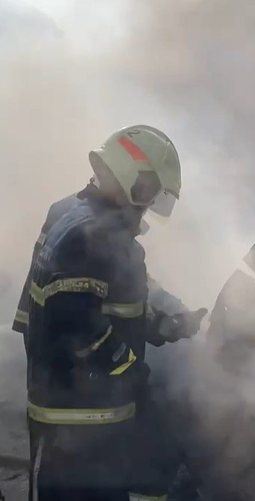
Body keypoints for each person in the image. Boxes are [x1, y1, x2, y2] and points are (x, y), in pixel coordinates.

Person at [25, 125, 205, 500]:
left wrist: (168, 326)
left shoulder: (90, 225)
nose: (148, 206)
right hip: (75, 431)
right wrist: (130, 368)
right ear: (135, 179)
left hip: (94, 428)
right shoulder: (89, 237)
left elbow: (118, 309)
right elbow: (76, 327)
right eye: (150, 192)